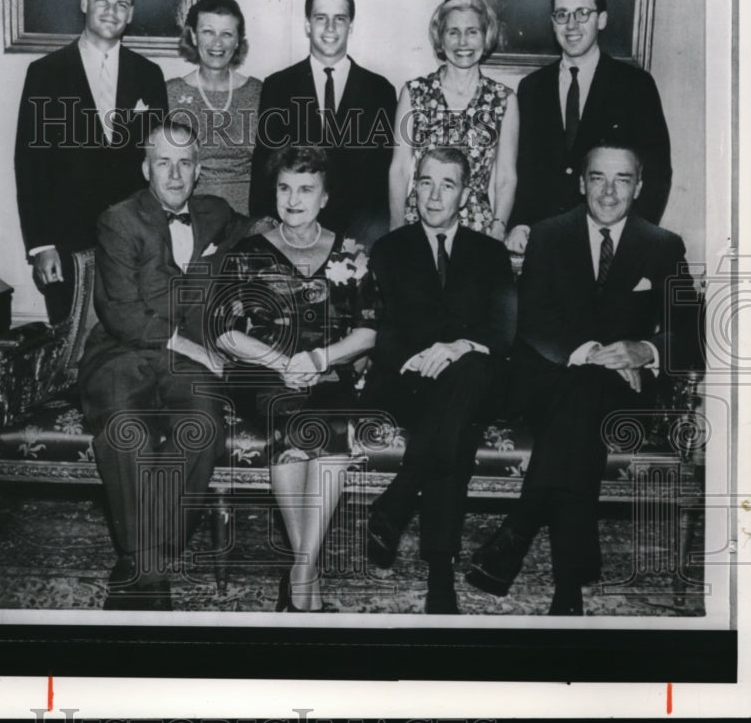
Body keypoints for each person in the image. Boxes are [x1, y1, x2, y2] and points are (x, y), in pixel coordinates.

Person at [466, 141, 697, 615]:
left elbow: (690, 333)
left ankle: (522, 528)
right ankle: (568, 584)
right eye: (598, 178)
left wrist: (644, 349)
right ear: (581, 182)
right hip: (551, 374)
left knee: (584, 398)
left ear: (640, 187)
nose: (609, 192)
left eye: (622, 180)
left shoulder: (663, 245)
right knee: (580, 392)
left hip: (621, 388)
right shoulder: (551, 234)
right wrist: (590, 352)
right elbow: (530, 319)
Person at [78, 117, 250, 611]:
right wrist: (196, 348)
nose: (174, 175)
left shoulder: (216, 212)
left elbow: (262, 230)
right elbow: (122, 313)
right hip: (122, 354)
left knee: (202, 425)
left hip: (188, 364)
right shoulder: (119, 218)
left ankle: (147, 554)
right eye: (163, 163)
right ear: (146, 168)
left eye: (185, 164)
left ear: (198, 172)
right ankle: (147, 573)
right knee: (124, 429)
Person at [213, 146, 377, 612]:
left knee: (335, 425)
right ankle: (308, 580)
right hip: (262, 373)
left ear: (325, 198)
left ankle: (301, 568)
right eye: (285, 188)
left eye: (306, 189)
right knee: (291, 420)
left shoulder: (351, 253)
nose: (293, 199)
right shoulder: (247, 253)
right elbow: (224, 331)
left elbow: (369, 331)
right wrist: (281, 361)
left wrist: (322, 357)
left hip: (328, 371)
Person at [364, 147, 516, 614]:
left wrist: (457, 349)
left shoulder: (491, 253)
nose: (434, 194)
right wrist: (418, 358)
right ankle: (439, 574)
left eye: (447, 184)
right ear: (415, 187)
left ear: (465, 193)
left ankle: (398, 499)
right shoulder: (389, 249)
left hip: (470, 379)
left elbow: (505, 330)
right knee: (455, 429)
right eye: (426, 182)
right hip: (408, 382)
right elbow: (379, 330)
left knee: (467, 375)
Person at [14, 0, 168, 323]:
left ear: (131, 13)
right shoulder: (45, 73)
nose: (111, 11)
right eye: (102, 0)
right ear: (84, 3)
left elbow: (160, 163)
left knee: (129, 352)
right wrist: (41, 245)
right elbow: (30, 165)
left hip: (133, 244)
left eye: (121, 4)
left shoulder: (149, 75)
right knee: (71, 357)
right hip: (66, 244)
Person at [507, 0, 672, 253]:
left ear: (602, 19)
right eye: (562, 14)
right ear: (552, 22)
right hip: (545, 243)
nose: (571, 25)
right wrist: (520, 222)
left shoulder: (636, 86)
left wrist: (632, 240)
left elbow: (656, 172)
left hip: (611, 243)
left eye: (582, 13)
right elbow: (524, 167)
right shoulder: (531, 88)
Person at [249, 0, 396, 246]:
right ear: (307, 24)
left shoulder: (379, 90)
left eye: (339, 19)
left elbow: (382, 176)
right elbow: (265, 167)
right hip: (294, 235)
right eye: (321, 18)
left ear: (351, 26)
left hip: (360, 239)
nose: (330, 28)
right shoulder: (278, 86)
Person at [388, 0, 518, 241]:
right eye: (453, 32)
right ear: (440, 38)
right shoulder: (414, 93)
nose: (463, 42)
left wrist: (499, 225)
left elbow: (506, 176)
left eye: (472, 32)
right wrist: (397, 225)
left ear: (486, 36)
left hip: (477, 228)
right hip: (420, 222)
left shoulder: (504, 99)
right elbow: (400, 168)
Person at [167, 0, 262, 215]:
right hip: (190, 215)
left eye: (227, 34)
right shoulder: (170, 93)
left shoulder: (259, 92)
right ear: (193, 35)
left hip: (250, 217)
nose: (217, 43)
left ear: (238, 40)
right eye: (208, 32)